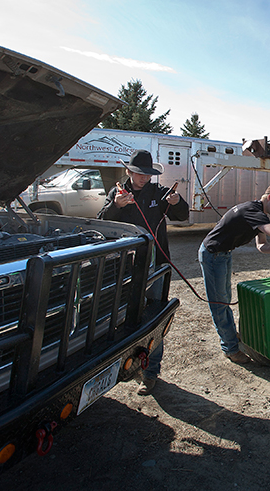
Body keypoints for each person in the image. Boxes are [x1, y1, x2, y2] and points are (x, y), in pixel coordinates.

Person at [98, 149, 189, 395]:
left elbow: (183, 215)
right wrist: (116, 206)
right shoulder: (118, 193)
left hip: (156, 265)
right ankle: (129, 364)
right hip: (125, 268)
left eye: (147, 174)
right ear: (128, 171)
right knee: (125, 318)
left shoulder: (159, 193)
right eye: (139, 173)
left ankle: (150, 373)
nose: (143, 178)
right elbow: (102, 221)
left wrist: (176, 202)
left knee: (153, 317)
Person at [199, 183, 270, 364]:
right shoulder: (253, 211)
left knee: (225, 297)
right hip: (213, 254)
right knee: (219, 303)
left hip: (224, 254)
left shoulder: (260, 216)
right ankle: (230, 348)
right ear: (269, 198)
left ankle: (230, 335)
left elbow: (261, 246)